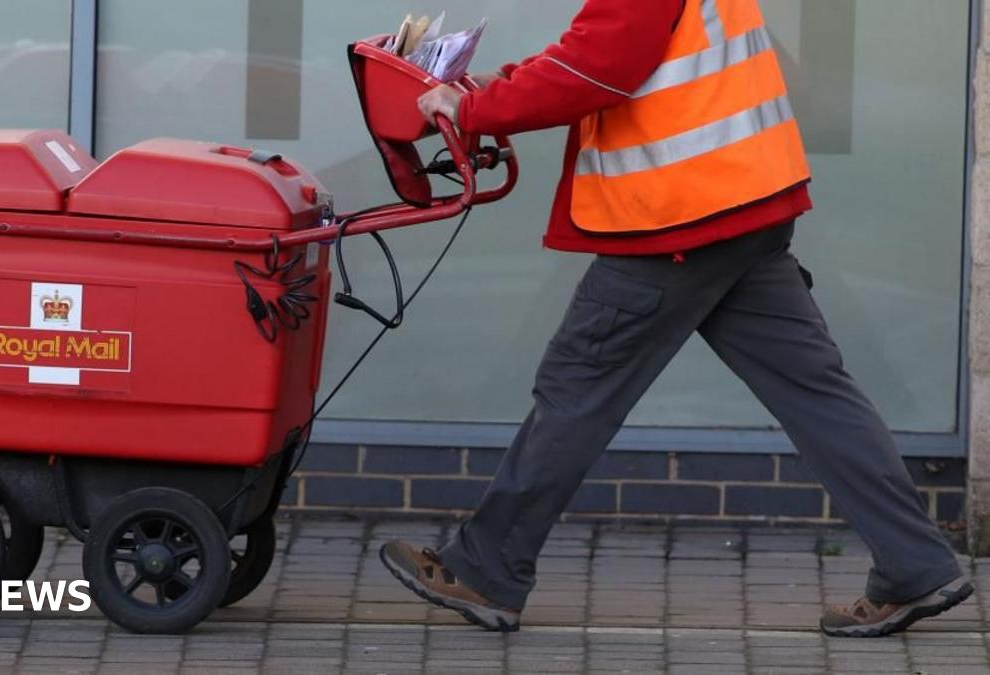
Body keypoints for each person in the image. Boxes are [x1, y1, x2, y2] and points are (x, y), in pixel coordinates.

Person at [379, 0, 973, 638]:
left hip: (677, 221)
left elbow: (593, 70)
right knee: (818, 395)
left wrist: (469, 110)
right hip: (746, 204)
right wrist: (495, 84)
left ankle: (486, 569)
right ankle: (915, 564)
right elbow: (604, 51)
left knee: (577, 386)